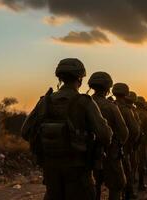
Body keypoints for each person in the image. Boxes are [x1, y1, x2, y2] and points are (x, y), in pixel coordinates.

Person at [21, 58, 113, 200]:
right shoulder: (85, 102)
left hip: (50, 168)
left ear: (60, 77)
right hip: (78, 168)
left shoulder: (45, 101)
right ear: (80, 78)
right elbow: (105, 136)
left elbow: (25, 132)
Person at [88, 72, 129, 200]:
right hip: (109, 153)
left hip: (85, 153)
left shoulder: (82, 103)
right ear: (108, 88)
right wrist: (118, 146)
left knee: (92, 186)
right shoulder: (111, 107)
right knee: (117, 185)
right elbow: (124, 132)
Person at [113, 83, 140, 200]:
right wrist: (130, 144)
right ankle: (128, 193)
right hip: (122, 146)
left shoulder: (107, 105)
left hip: (104, 147)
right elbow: (134, 131)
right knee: (126, 171)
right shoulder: (127, 111)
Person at [135, 96, 147, 191]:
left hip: (130, 142)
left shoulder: (132, 111)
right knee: (141, 162)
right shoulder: (145, 116)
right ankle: (140, 183)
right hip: (142, 141)